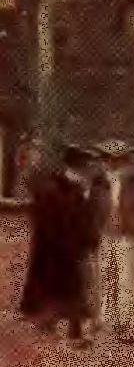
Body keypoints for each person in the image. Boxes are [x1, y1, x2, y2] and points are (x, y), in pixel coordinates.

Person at [93, 142, 134, 344]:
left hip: (125, 235)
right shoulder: (100, 182)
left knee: (124, 279)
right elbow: (94, 207)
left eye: (113, 158)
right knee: (105, 276)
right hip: (105, 233)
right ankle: (104, 318)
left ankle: (122, 322)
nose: (108, 162)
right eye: (106, 158)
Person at [50, 145, 102, 346]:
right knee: (75, 287)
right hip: (71, 244)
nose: (88, 166)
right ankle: (73, 333)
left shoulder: (76, 185)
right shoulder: (68, 187)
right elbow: (73, 218)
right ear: (77, 164)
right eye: (85, 163)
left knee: (78, 287)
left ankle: (73, 329)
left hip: (74, 243)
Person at [19, 137, 61, 330]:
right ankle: (34, 307)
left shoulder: (43, 174)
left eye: (34, 154)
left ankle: (45, 311)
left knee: (46, 267)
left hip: (50, 225)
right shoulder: (31, 173)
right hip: (42, 224)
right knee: (38, 265)